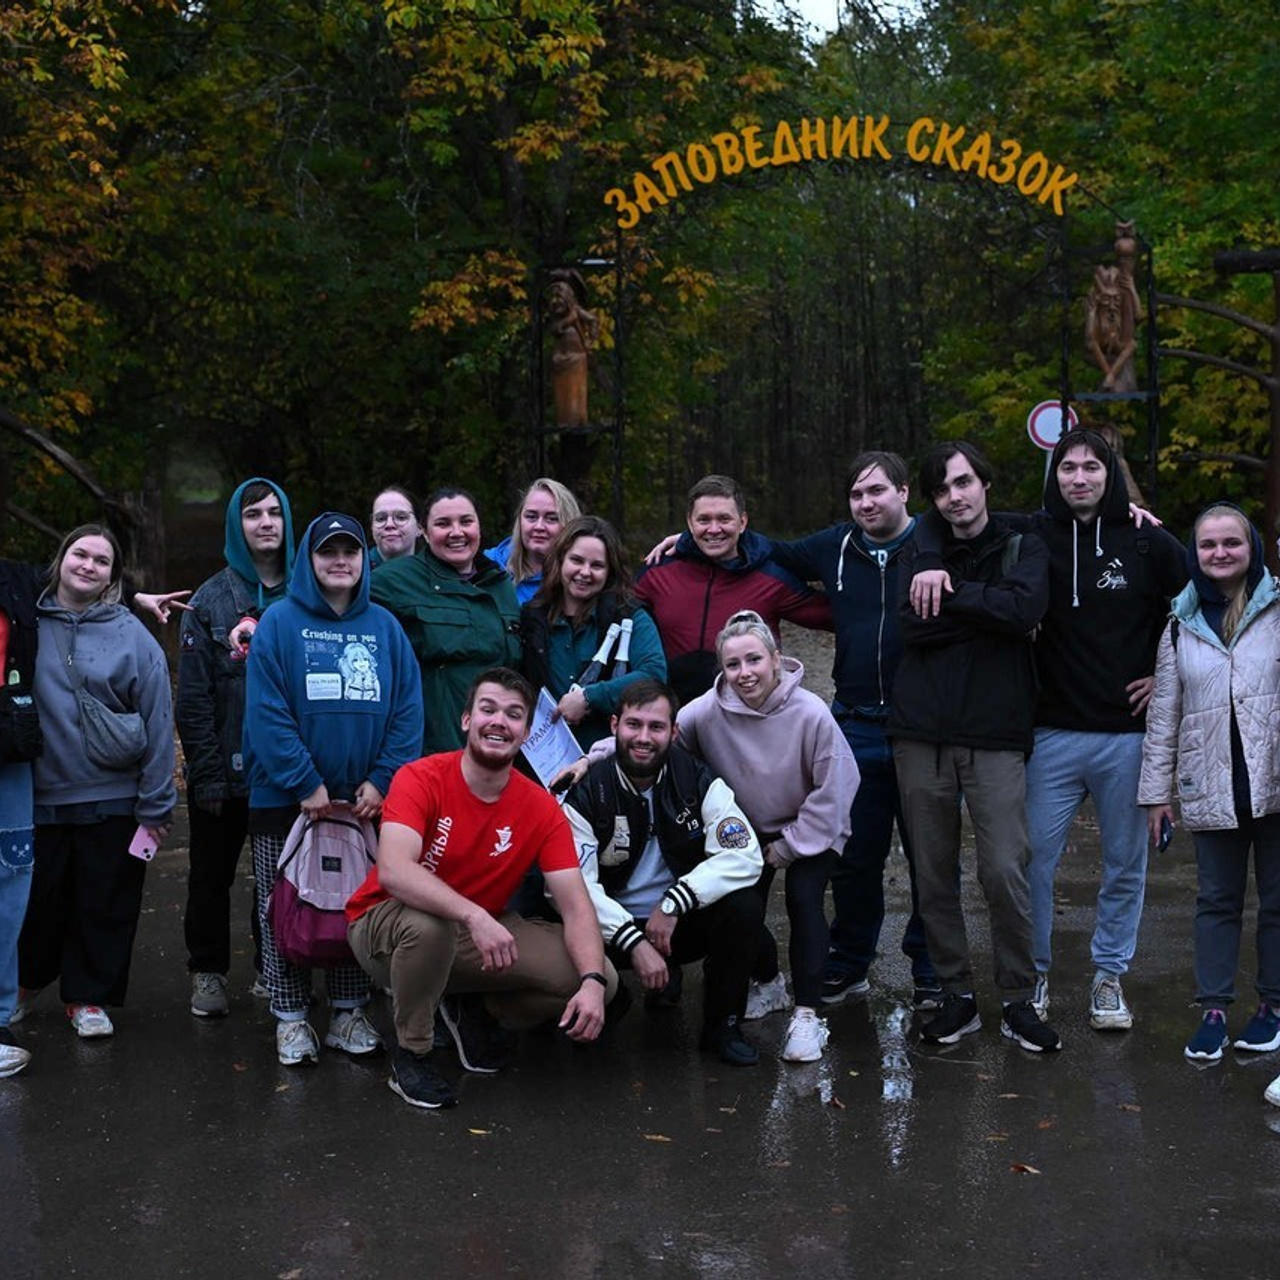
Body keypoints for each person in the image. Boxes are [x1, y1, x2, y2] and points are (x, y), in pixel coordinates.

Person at [347, 668, 616, 1110]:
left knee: (598, 977)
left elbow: (576, 904)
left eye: (513, 715)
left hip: (474, 934)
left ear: (526, 732)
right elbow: (395, 871)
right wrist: (473, 915)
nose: (499, 722)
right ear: (467, 720)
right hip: (386, 924)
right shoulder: (421, 777)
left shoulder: (540, 806)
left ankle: (473, 1012)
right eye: (488, 709)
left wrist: (589, 981)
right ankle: (412, 1055)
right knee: (430, 926)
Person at [890, 443, 1060, 1052]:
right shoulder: (917, 548)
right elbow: (912, 625)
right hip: (921, 734)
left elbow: (1025, 609)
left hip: (994, 734)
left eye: (964, 482)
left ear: (985, 483)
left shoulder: (1024, 545)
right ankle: (955, 996)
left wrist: (954, 593)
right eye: (942, 489)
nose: (955, 496)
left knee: (1004, 868)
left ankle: (1018, 997)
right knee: (932, 872)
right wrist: (994, 609)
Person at [1015, 430, 1183, 1029]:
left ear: (1109, 476)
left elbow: (1202, 605)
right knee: (1029, 861)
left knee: (1124, 863)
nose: (1079, 478)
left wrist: (1167, 679)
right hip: (1051, 733)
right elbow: (952, 522)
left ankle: (1109, 977)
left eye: (1092, 468)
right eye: (1068, 468)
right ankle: (1031, 974)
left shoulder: (1146, 542)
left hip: (1126, 736)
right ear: (1054, 477)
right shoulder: (1031, 534)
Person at [762, 452, 942, 1011]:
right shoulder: (836, 546)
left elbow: (1006, 528)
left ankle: (932, 969)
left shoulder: (936, 543)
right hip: (855, 725)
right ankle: (849, 962)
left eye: (877, 492)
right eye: (857, 494)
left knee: (929, 858)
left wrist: (1118, 510)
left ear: (905, 492)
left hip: (925, 728)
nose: (867, 503)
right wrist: (687, 541)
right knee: (855, 855)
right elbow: (765, 550)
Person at [244, 512, 422, 1067]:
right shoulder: (277, 623)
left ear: (364, 558)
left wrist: (382, 780)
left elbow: (406, 712)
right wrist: (304, 781)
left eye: (350, 550)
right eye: (327, 552)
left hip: (362, 804)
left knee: (355, 908)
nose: (340, 560)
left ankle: (348, 1010)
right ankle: (291, 1016)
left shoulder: (385, 628)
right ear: (309, 560)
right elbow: (267, 714)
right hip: (287, 800)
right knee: (286, 910)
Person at [17, 525, 176, 1040]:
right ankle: (21, 985)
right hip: (36, 795)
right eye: (79, 554)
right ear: (61, 559)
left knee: (103, 902)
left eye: (101, 561)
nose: (88, 565)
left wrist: (156, 804)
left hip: (112, 797)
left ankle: (87, 997)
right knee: (36, 902)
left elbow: (157, 719)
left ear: (114, 575)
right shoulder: (25, 620)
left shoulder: (132, 633)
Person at [1137, 503, 1280, 1074]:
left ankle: (1272, 1007)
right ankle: (1214, 1011)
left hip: (1273, 781)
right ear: (1194, 554)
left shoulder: (1276, 610)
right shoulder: (1179, 622)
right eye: (1208, 545)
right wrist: (1156, 794)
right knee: (1216, 902)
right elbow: (1163, 715)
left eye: (1232, 543)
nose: (1220, 553)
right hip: (1212, 786)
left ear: (1252, 549)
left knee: (1276, 904)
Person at [564, 679, 766, 1065]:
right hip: (608, 930)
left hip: (675, 924)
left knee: (744, 907)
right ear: (613, 727)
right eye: (633, 724)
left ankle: (722, 1025)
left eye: (656, 727)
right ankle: (608, 999)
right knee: (555, 914)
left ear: (673, 732)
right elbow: (573, 886)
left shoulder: (698, 778)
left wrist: (676, 902)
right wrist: (632, 941)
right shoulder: (587, 791)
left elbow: (746, 855)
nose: (643, 737)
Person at [176, 477, 296, 1018]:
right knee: (211, 875)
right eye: (253, 514)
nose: (266, 522)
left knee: (277, 879)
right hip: (225, 766)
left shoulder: (309, 591)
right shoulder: (209, 600)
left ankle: (273, 971)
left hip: (290, 771)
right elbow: (194, 699)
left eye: (274, 512)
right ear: (237, 524)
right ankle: (207, 971)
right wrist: (205, 775)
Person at [634, 474, 832, 705]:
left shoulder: (770, 578)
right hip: (672, 717)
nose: (714, 529)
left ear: (743, 521)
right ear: (689, 522)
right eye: (704, 520)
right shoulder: (658, 572)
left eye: (724, 519)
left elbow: (836, 615)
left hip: (747, 717)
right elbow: (613, 615)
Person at [372, 487, 521, 754]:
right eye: (443, 524)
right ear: (424, 533)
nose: (456, 532)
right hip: (431, 750)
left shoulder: (501, 585)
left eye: (466, 521)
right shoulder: (392, 580)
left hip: (495, 750)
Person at [520, 515, 666, 747]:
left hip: (606, 757)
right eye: (576, 560)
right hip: (541, 758)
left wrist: (589, 698)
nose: (585, 572)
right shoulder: (530, 618)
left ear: (610, 571)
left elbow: (654, 674)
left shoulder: (629, 617)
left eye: (597, 565)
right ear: (560, 561)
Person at [0, 559, 42, 1075]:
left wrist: (133, 597)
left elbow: (79, 581)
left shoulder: (17, 577)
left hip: (9, 747)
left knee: (11, 883)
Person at [485, 478, 581, 605]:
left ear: (570, 524)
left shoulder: (579, 579)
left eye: (551, 519)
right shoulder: (488, 566)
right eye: (531, 517)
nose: (539, 526)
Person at [368, 485, 423, 568]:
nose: (389, 524)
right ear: (372, 527)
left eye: (401, 518)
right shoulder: (356, 571)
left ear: (419, 527)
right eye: (381, 518)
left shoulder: (435, 573)